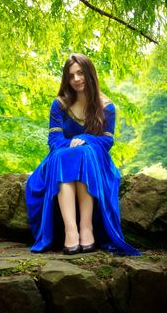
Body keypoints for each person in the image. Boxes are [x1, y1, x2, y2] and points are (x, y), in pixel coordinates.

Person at [26, 53, 140, 256]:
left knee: (85, 153)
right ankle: (71, 230)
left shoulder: (107, 107)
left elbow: (107, 141)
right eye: (71, 76)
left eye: (80, 73)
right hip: (60, 158)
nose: (76, 79)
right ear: (66, 79)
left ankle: (87, 228)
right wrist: (71, 144)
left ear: (89, 73)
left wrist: (85, 139)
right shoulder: (59, 104)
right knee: (65, 156)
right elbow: (54, 142)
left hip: (94, 160)